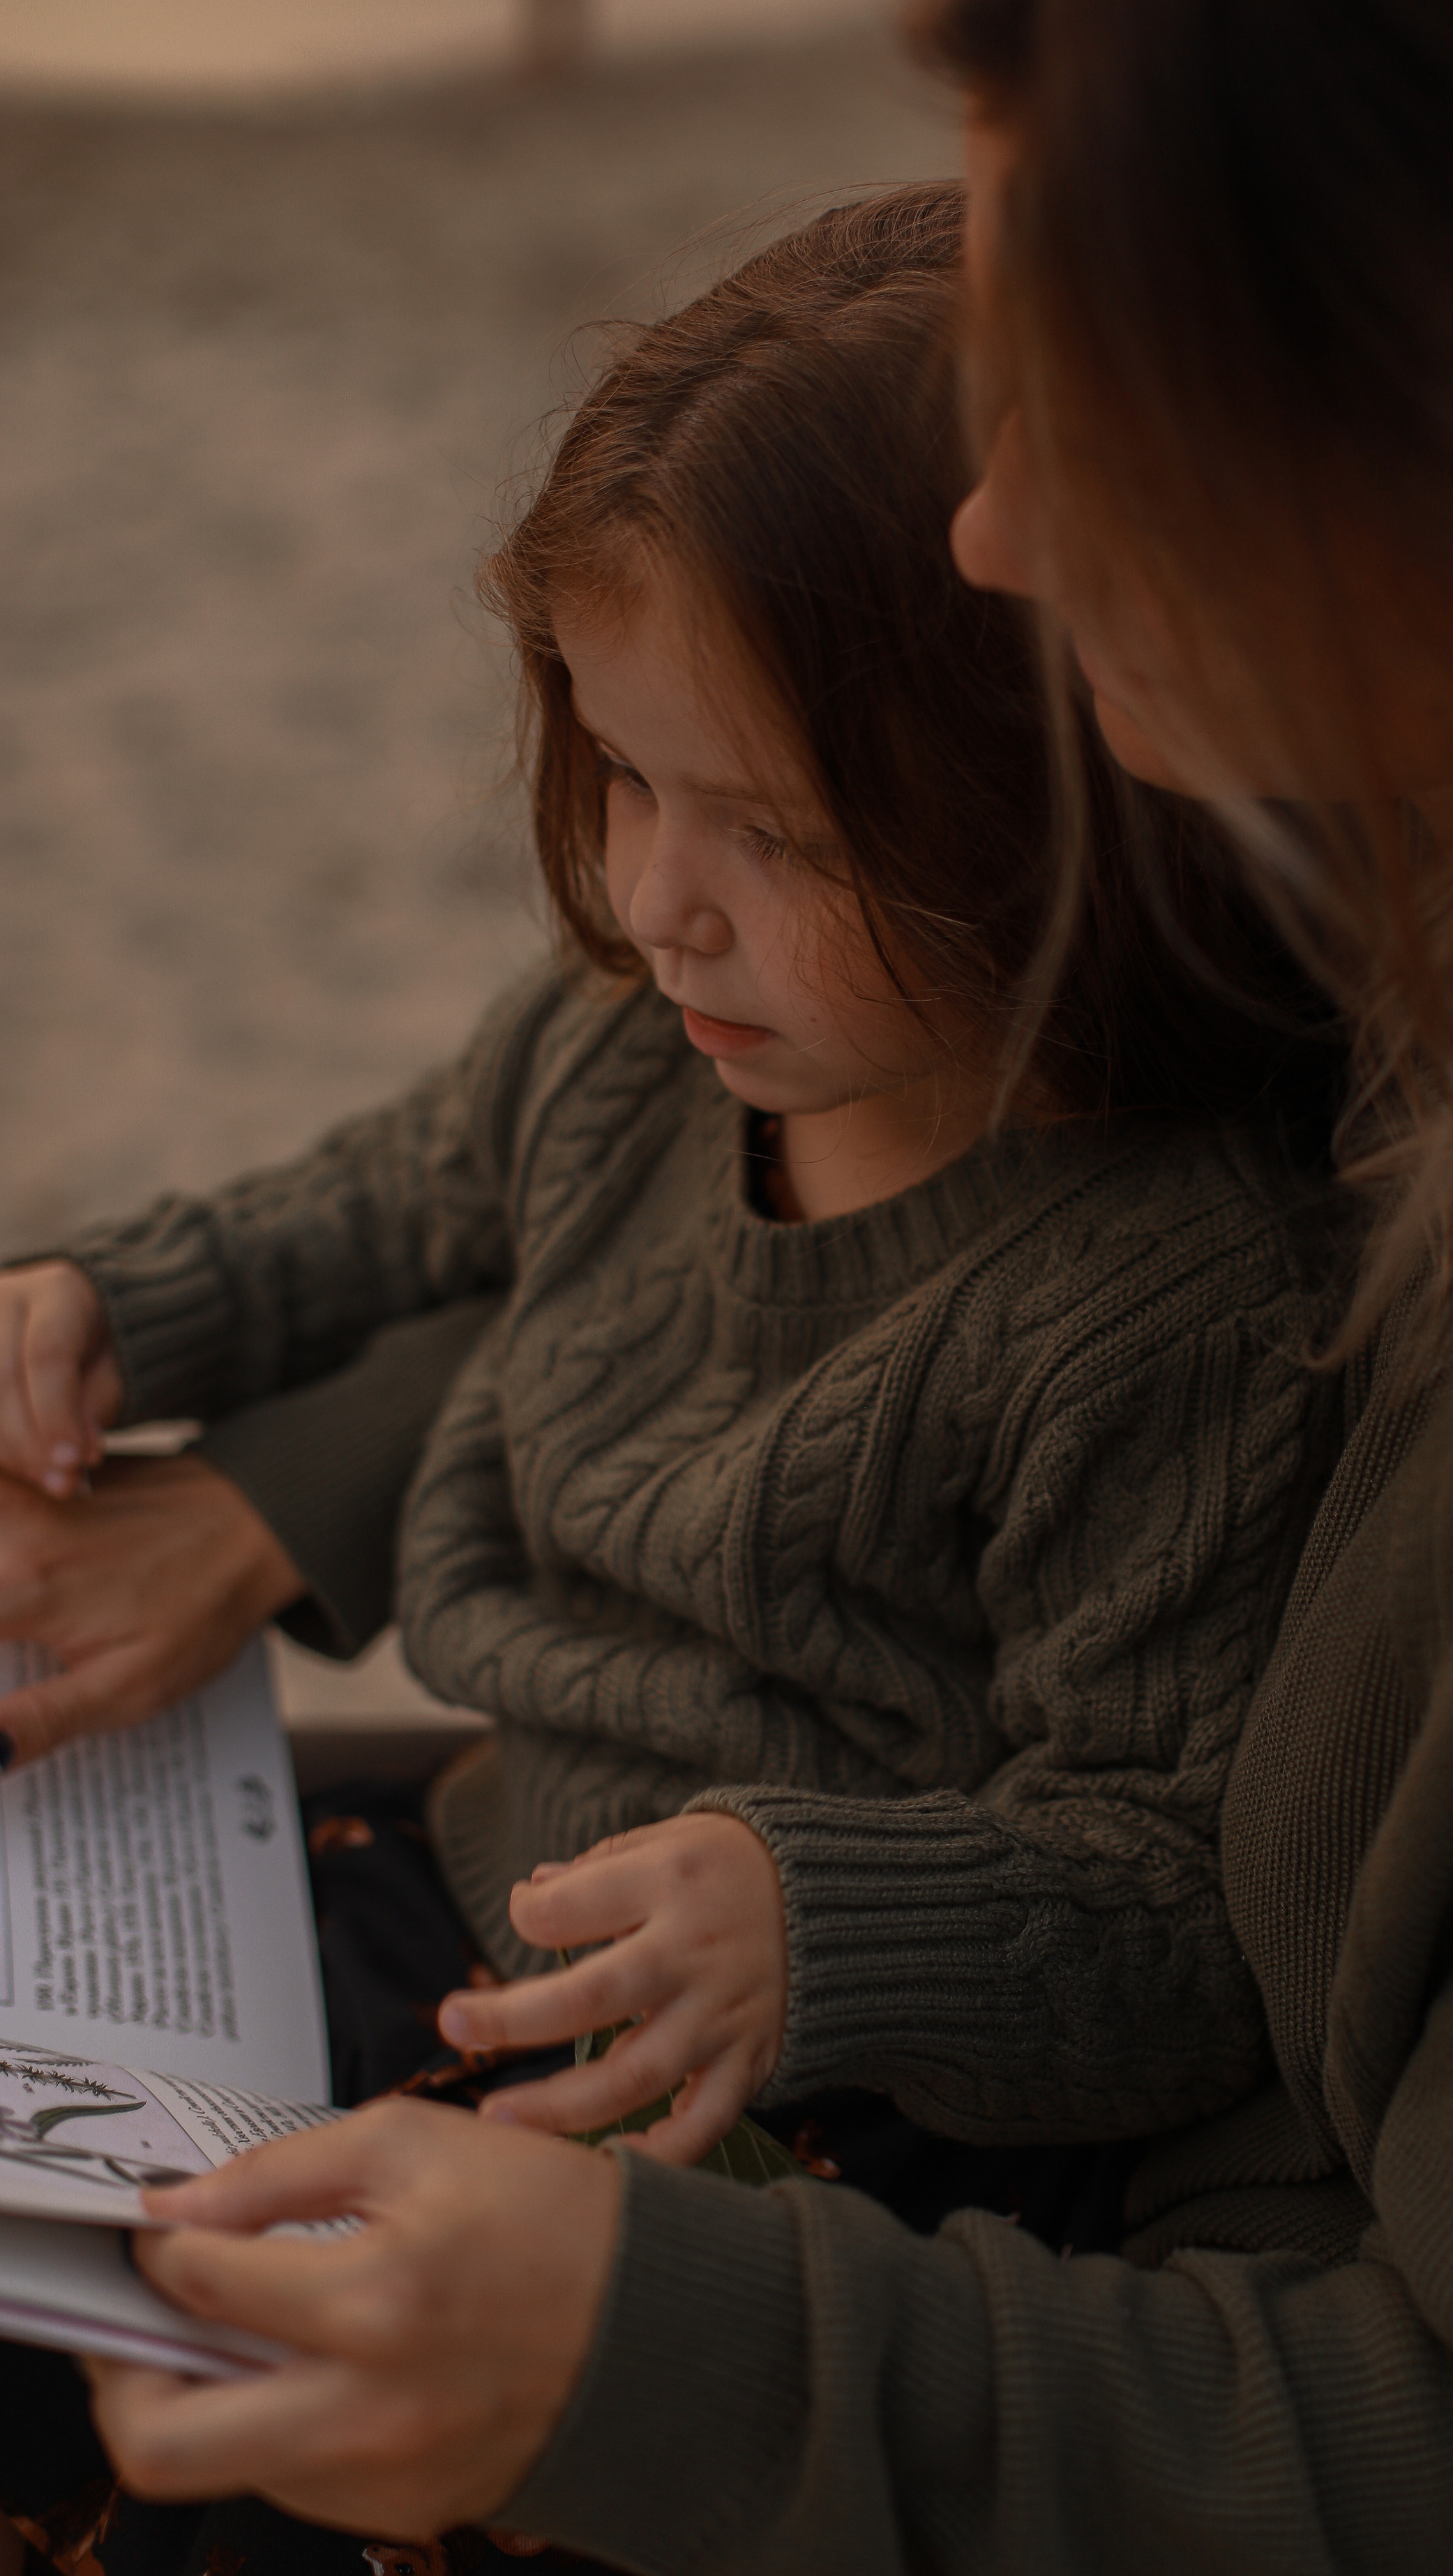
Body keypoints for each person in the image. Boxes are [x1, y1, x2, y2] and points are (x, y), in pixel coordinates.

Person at [46, 0, 1453, 2570]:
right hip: (607, 1932)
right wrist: (278, 1467)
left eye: (1098, 384)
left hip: (912, 2210)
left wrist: (656, 2352)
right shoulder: (1430, 889)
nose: (991, 526)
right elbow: (693, 1211)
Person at [0, 182, 1341, 2229]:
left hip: (785, 2118)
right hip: (464, 1898)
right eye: (623, 776)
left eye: (777, 834)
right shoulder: (645, 1039)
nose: (654, 904)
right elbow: (386, 1204)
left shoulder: (1164, 1301)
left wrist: (820, 1922)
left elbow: (1171, 1912)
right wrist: (121, 1296)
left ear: (1077, 814)